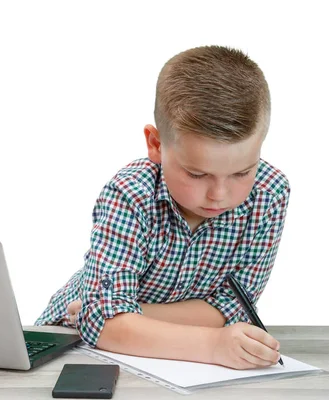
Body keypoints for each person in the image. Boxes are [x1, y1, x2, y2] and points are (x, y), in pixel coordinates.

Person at [35, 45, 289, 370]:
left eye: (242, 172)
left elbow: (232, 307)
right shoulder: (130, 194)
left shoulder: (269, 194)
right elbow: (98, 324)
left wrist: (128, 314)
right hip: (69, 345)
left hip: (169, 360)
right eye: (197, 174)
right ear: (156, 145)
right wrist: (212, 344)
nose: (219, 194)